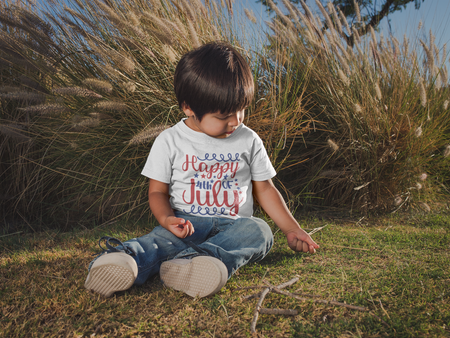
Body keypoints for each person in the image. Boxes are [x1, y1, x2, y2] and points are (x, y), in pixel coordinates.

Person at [84, 41, 319, 298]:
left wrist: (291, 228)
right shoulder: (169, 140)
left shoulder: (248, 139)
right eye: (223, 116)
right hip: (186, 225)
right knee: (158, 242)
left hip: (234, 226)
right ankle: (123, 259)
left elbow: (264, 188)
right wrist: (167, 220)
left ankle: (195, 263)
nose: (236, 121)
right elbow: (157, 193)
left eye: (241, 109)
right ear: (188, 107)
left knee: (260, 231)